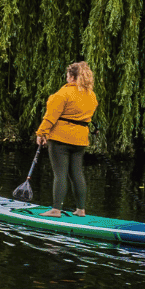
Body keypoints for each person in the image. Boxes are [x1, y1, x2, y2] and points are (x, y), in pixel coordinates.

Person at [36, 61, 97, 217]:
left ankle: (56, 210)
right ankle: (81, 209)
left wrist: (41, 133)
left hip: (60, 139)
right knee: (77, 173)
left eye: (68, 75)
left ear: (72, 77)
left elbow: (51, 116)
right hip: (80, 140)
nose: (66, 78)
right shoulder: (91, 95)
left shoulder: (63, 93)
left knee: (60, 174)